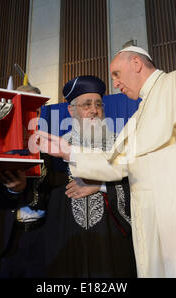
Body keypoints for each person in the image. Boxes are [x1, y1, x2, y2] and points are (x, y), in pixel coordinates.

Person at [32, 47, 176, 277]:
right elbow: (118, 164)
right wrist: (67, 152)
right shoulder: (139, 115)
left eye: (116, 73)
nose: (115, 83)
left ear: (136, 63)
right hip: (168, 226)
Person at [40, 75, 136, 278]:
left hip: (112, 242)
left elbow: (139, 185)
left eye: (99, 104)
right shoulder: (56, 150)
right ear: (71, 110)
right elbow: (43, 196)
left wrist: (102, 186)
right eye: (86, 105)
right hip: (68, 242)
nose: (94, 110)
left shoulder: (121, 145)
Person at [0, 85, 48, 278]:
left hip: (42, 239)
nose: (30, 114)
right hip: (4, 238)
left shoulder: (54, 148)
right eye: (23, 107)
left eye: (35, 109)